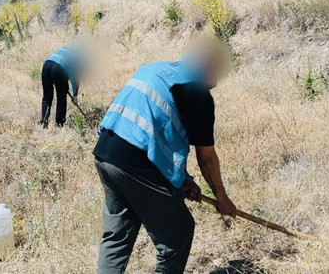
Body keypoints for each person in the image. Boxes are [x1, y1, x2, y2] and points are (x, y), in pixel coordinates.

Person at [92, 39, 234, 274]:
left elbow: (160, 131)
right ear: (209, 66)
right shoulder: (197, 92)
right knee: (179, 232)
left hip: (106, 154)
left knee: (117, 236)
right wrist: (222, 199)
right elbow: (207, 157)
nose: (218, 81)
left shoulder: (154, 70)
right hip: (136, 164)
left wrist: (183, 180)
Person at [41, 44, 84, 128]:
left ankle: (44, 122)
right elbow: (75, 80)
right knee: (61, 97)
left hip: (47, 65)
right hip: (58, 68)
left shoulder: (65, 49)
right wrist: (75, 95)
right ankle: (59, 124)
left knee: (47, 96)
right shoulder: (78, 58)